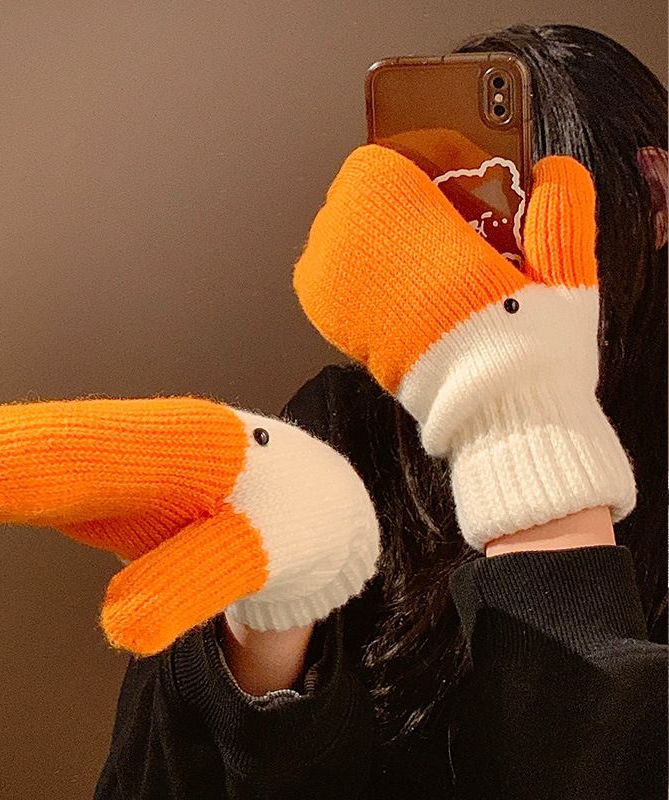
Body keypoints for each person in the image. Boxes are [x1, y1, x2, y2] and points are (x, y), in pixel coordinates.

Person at [92, 24, 668, 800]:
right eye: (449, 198)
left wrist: (524, 426)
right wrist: (265, 642)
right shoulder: (345, 427)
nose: (479, 238)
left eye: (514, 199)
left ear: (655, 199)